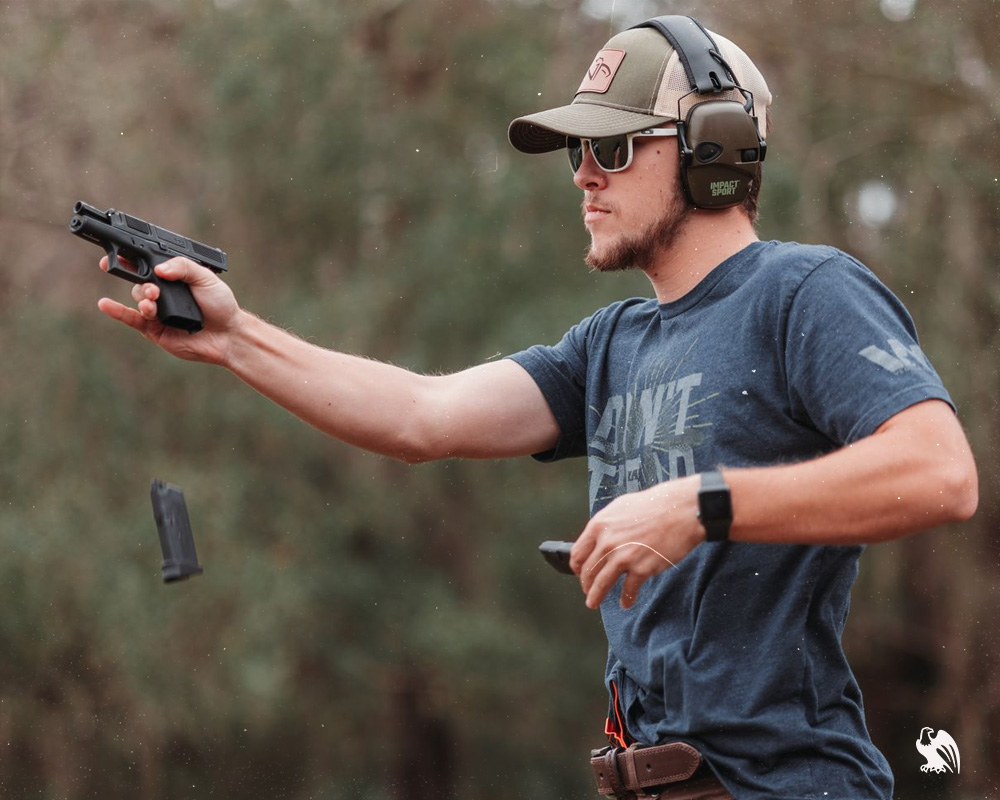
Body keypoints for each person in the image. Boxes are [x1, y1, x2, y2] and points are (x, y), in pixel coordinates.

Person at [96, 14, 978, 800]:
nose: (585, 176)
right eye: (576, 152)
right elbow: (420, 417)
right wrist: (236, 336)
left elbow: (940, 472)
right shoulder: (610, 344)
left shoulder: (804, 291)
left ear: (715, 149)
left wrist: (701, 505)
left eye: (615, 148)